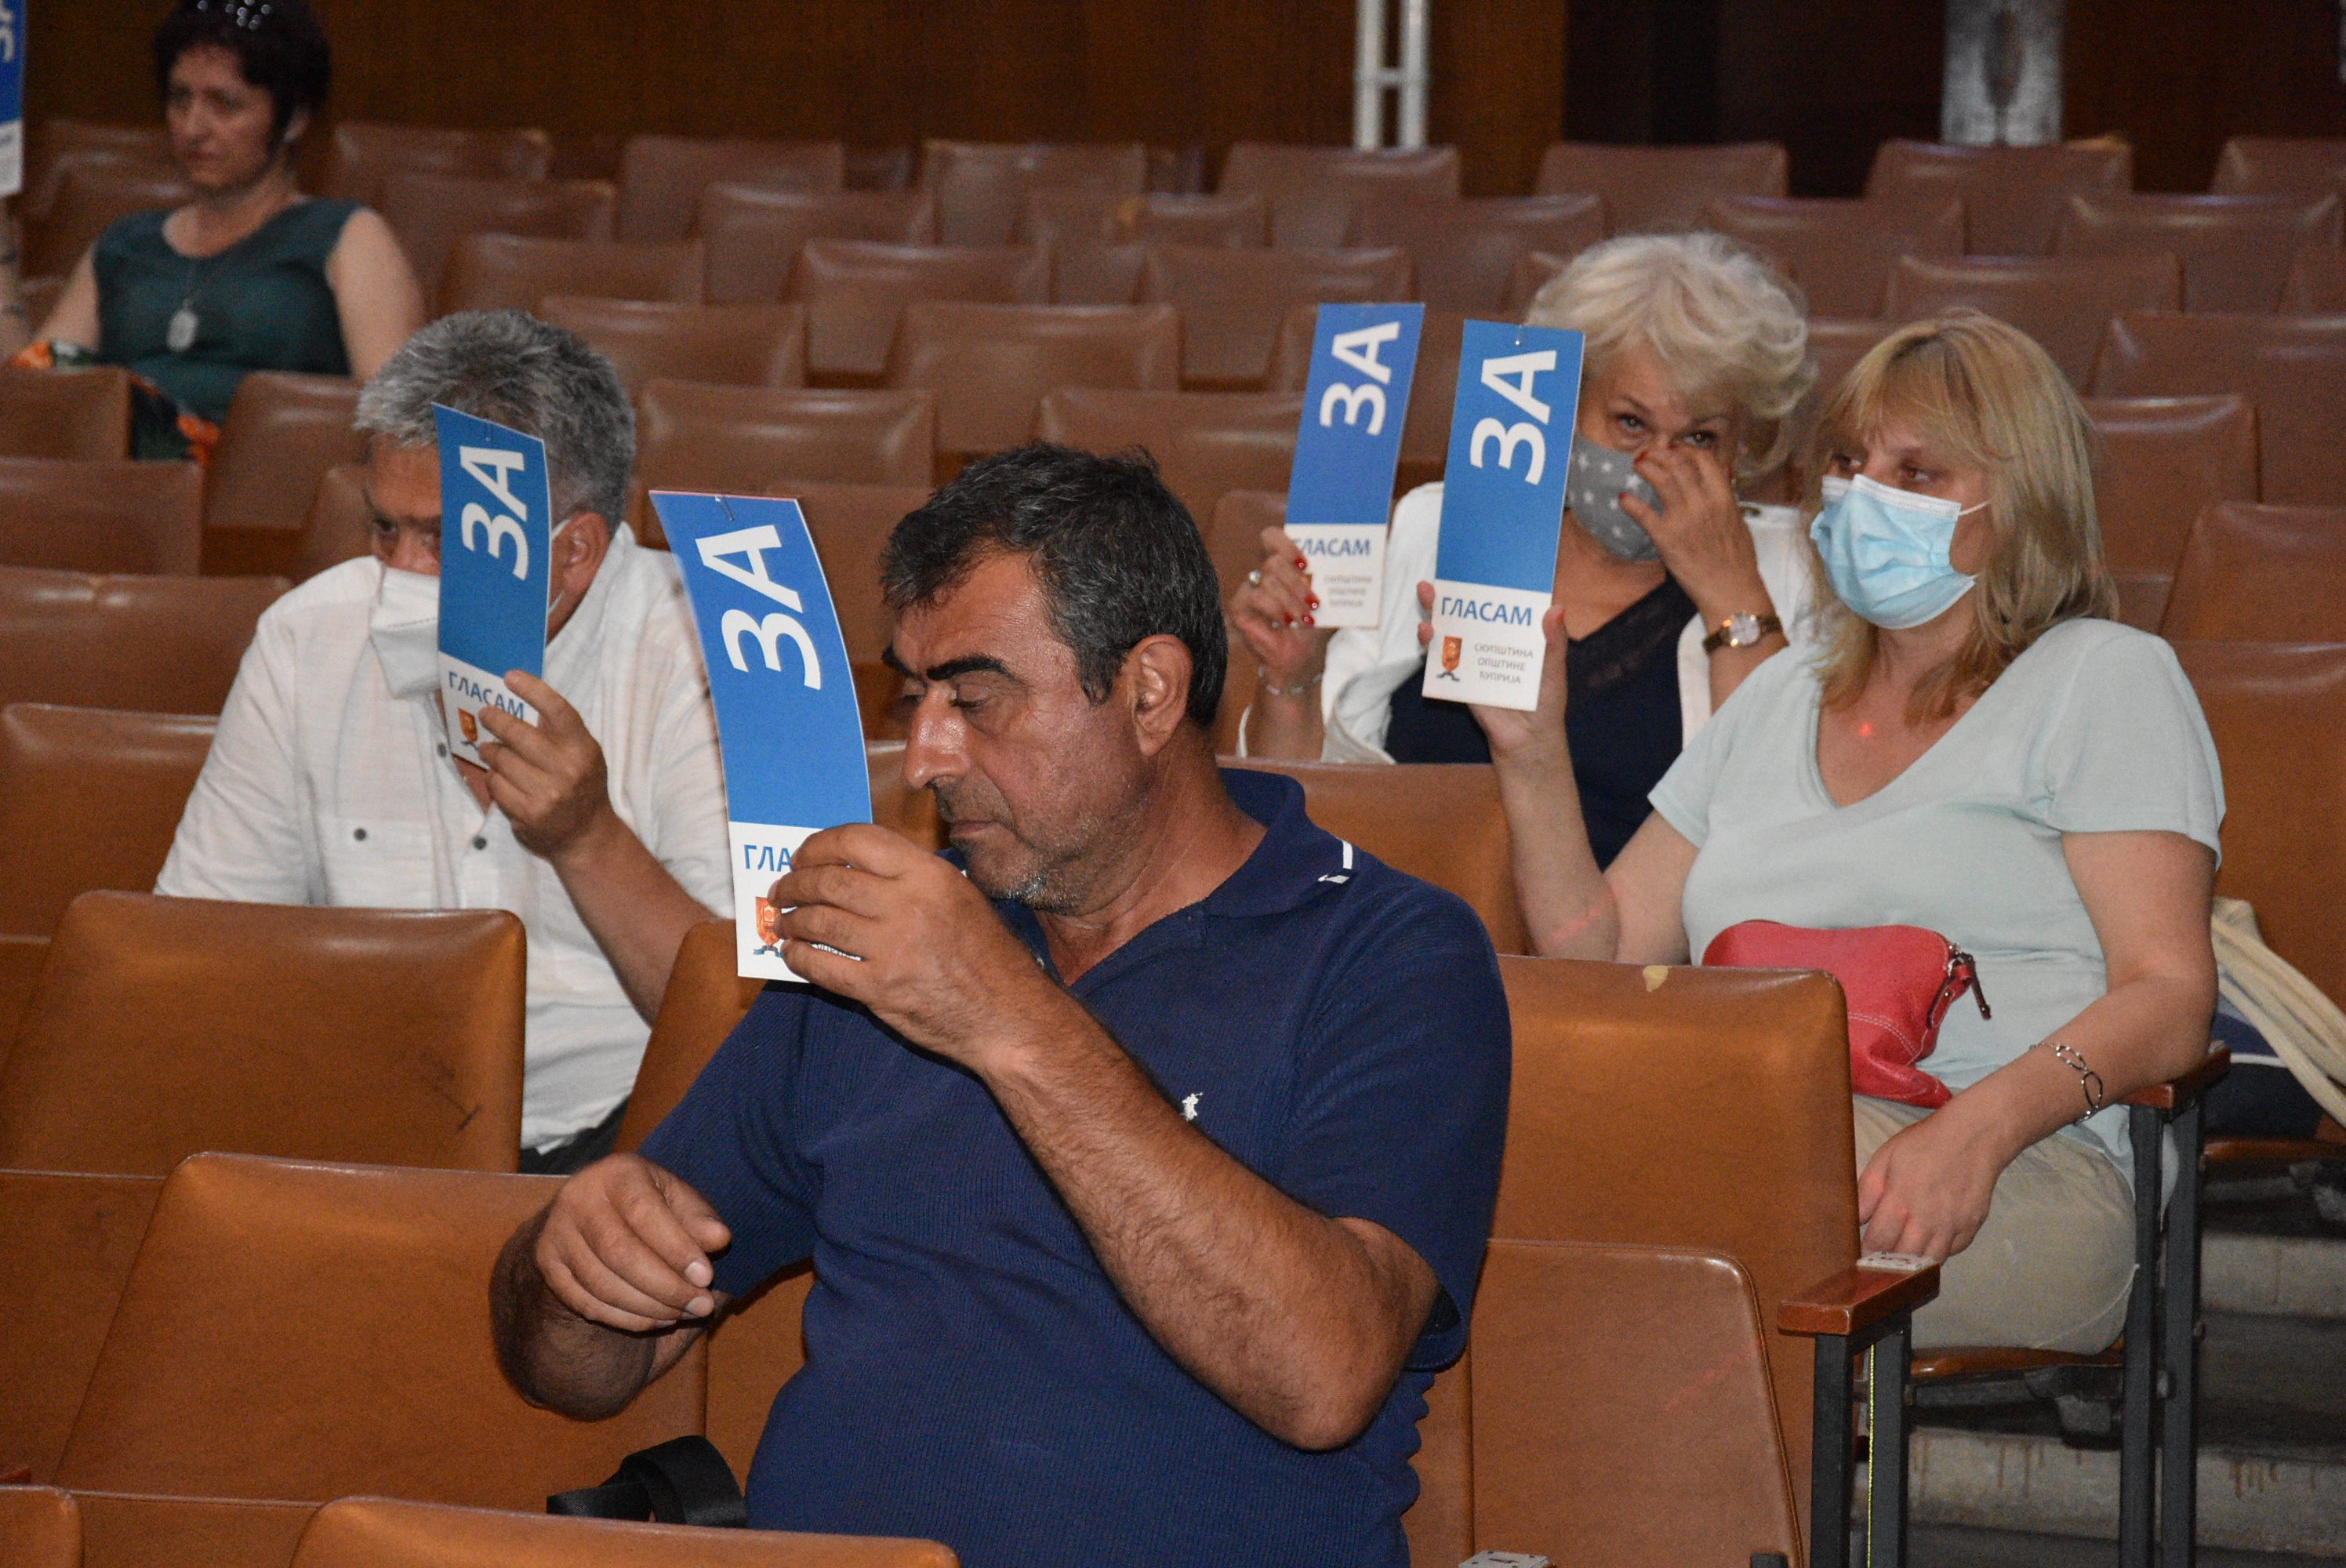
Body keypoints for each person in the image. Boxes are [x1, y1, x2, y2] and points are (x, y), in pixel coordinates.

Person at [489, 445, 1511, 1568]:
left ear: (1150, 691)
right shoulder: (889, 942)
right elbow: (585, 1374)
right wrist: (574, 1269)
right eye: (915, 696)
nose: (924, 758)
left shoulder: (1389, 952)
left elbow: (1322, 1379)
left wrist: (1004, 1017)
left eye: (976, 700)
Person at [1487, 311, 2221, 1352]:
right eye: (1846, 461)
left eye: (1915, 472)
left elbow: (2169, 994)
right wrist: (1530, 749)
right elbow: (1598, 959)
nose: (1863, 492)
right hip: (1758, 1139)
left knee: (1648, 1170)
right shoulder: (1780, 692)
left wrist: (1978, 1129)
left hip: (2013, 1169)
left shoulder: (2103, 676)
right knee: (1518, 1120)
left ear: (2021, 503)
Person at [157, 310, 730, 1174]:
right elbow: (201, 954)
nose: (400, 572)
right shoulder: (310, 637)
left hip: (646, 1138)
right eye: (385, 528)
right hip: (359, 1123)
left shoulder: (715, 651)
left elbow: (747, 1027)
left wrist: (587, 838)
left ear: (575, 551)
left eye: (445, 540)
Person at [1233, 232, 1814, 866]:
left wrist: (1731, 593)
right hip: (1392, 904)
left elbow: (1777, 829)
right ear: (1567, 409)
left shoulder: (1787, 568)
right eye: (1630, 423)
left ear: (1743, 447)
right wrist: (1292, 678)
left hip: (1625, 929)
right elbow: (1291, 807)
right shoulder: (1441, 524)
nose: (1658, 463)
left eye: (1700, 437)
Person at [1, 0, 425, 458]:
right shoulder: (124, 245)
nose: (192, 127)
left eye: (224, 104)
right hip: (121, 487)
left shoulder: (348, 236)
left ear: (294, 119)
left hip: (268, 487)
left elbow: (401, 424)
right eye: (180, 98)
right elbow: (36, 398)